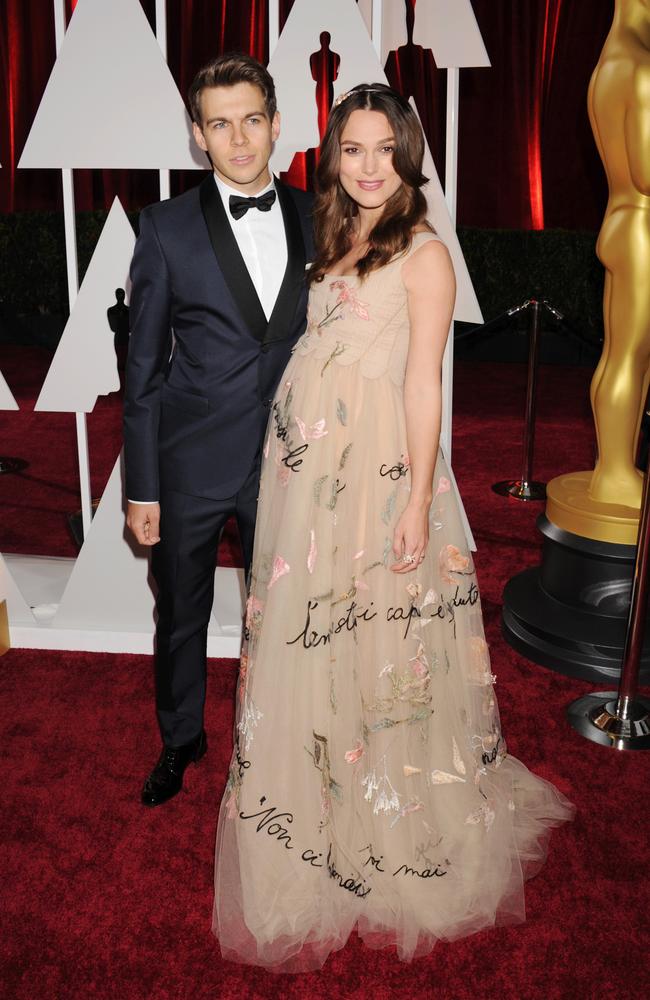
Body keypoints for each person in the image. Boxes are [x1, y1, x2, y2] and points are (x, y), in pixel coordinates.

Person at [212, 83, 574, 970]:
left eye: (385, 149)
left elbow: (423, 387)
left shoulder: (424, 254)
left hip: (377, 482)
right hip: (308, 488)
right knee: (313, 639)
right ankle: (320, 799)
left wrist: (414, 499)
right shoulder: (336, 235)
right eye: (353, 149)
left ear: (408, 156)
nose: (369, 166)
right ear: (334, 156)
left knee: (381, 644)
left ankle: (388, 815)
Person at [123, 53, 314, 807]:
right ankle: (181, 738)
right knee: (182, 613)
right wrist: (143, 487)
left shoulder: (315, 214)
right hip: (189, 465)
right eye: (220, 124)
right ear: (198, 136)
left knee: (289, 612)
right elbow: (141, 371)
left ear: (275, 123)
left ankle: (277, 737)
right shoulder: (165, 229)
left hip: (291, 463)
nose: (239, 139)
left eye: (253, 120)